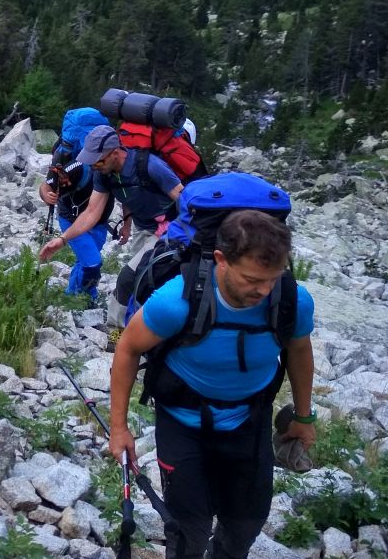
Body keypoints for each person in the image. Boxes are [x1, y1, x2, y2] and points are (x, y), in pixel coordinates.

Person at [109, 211, 316, 559]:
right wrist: (119, 427)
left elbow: (299, 351)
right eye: (252, 279)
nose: (264, 291)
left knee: (246, 524)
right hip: (183, 423)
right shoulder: (176, 302)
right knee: (188, 528)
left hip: (250, 420)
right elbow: (128, 349)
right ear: (221, 259)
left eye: (273, 278)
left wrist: (304, 417)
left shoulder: (292, 301)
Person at [38, 124, 184, 343]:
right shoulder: (104, 174)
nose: (94, 166)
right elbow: (91, 212)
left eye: (98, 161)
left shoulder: (151, 165)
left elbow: (184, 198)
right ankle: (147, 330)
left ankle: (118, 339)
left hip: (169, 228)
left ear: (115, 152)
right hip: (143, 228)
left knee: (128, 278)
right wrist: (63, 239)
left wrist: (182, 232)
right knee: (144, 281)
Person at [38, 155, 112, 302]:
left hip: (99, 223)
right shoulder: (78, 167)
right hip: (72, 221)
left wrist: (127, 223)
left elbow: (125, 194)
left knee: (84, 259)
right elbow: (47, 185)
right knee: (92, 263)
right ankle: (86, 299)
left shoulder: (116, 168)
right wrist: (46, 195)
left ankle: (71, 296)